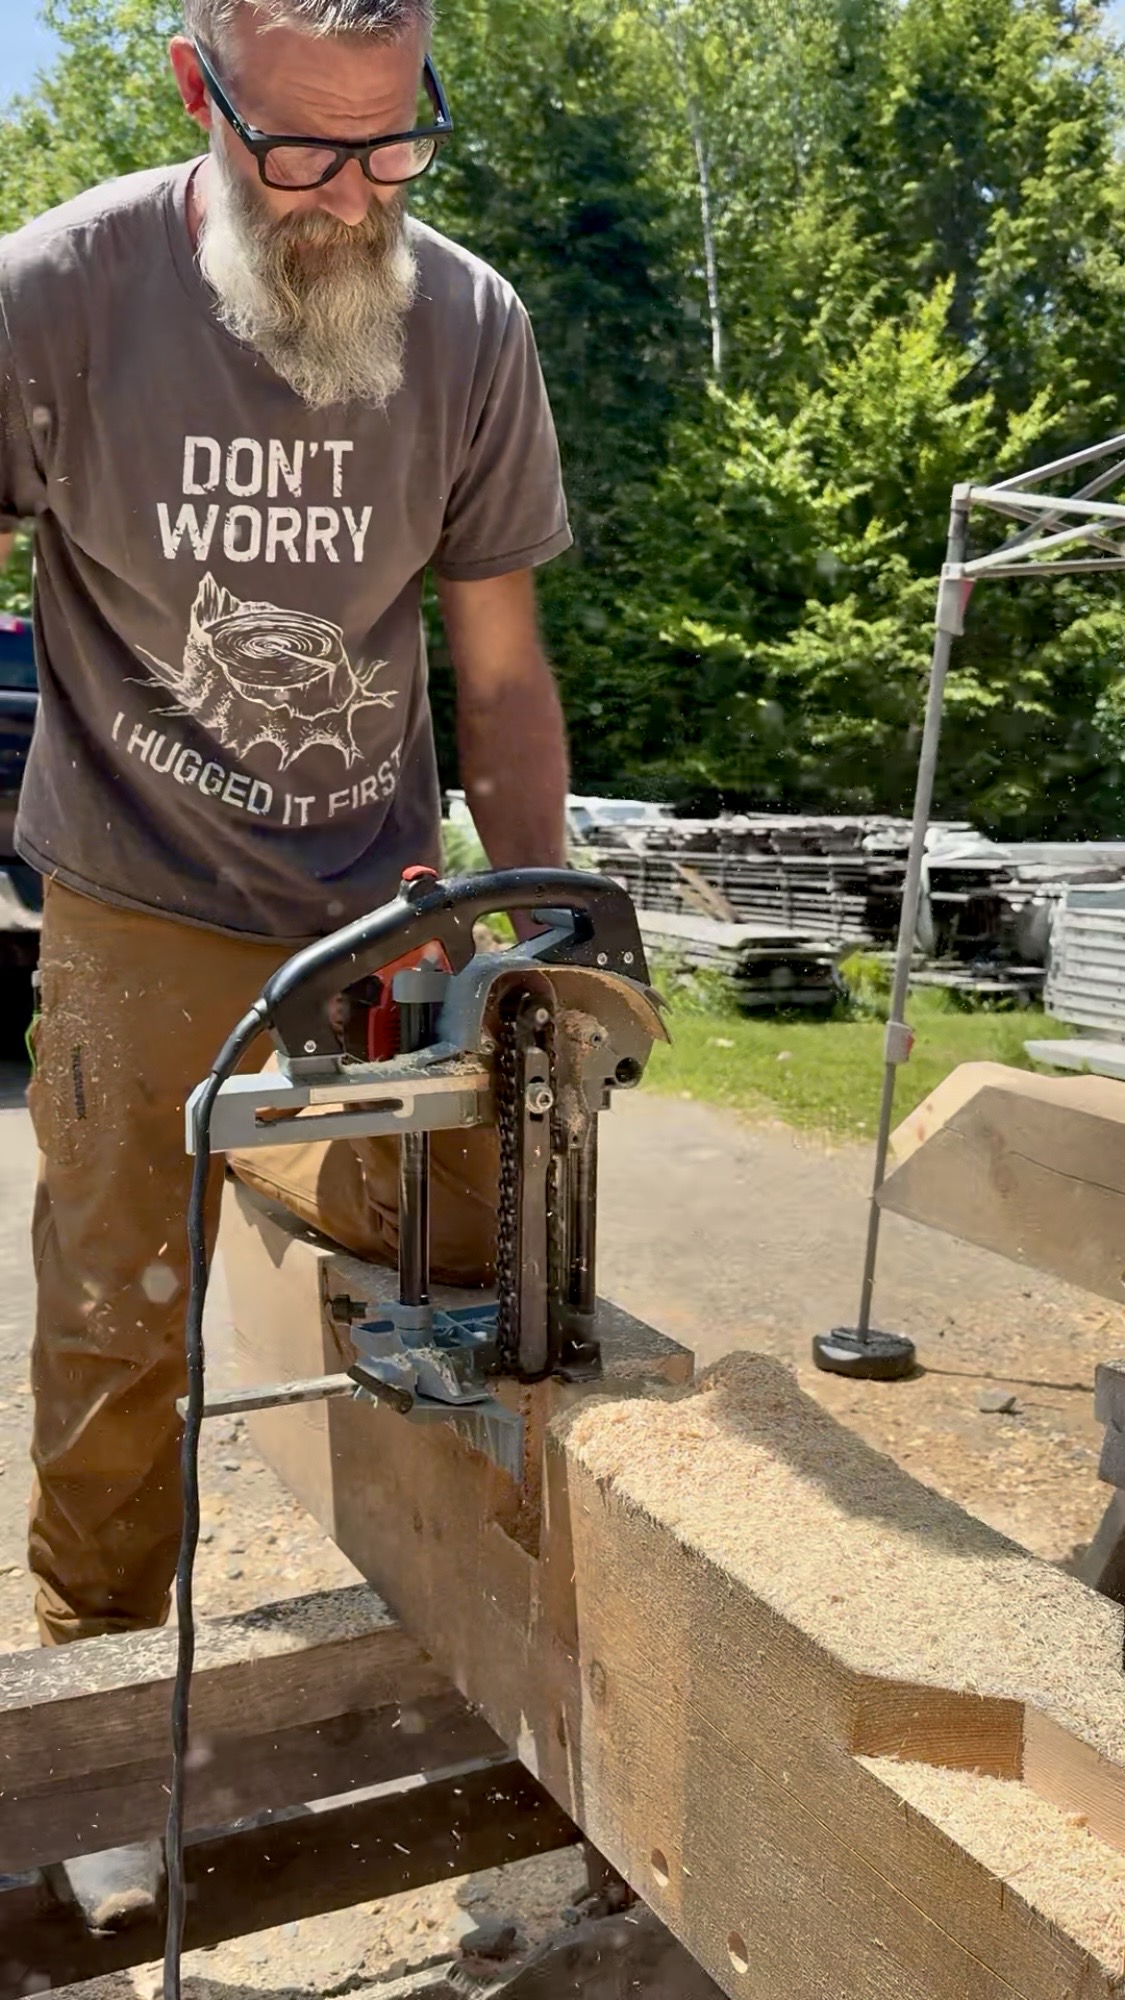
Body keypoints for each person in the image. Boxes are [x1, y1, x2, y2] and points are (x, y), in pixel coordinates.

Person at [0, 0, 572, 1929]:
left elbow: (498, 670)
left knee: (485, 1253)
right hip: (134, 885)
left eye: (392, 144)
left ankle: (502, 1668)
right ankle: (99, 1706)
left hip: (377, 885)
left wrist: (536, 920)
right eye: (303, 151)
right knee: (117, 1300)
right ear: (198, 89)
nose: (349, 198)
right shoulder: (54, 299)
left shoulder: (469, 323)